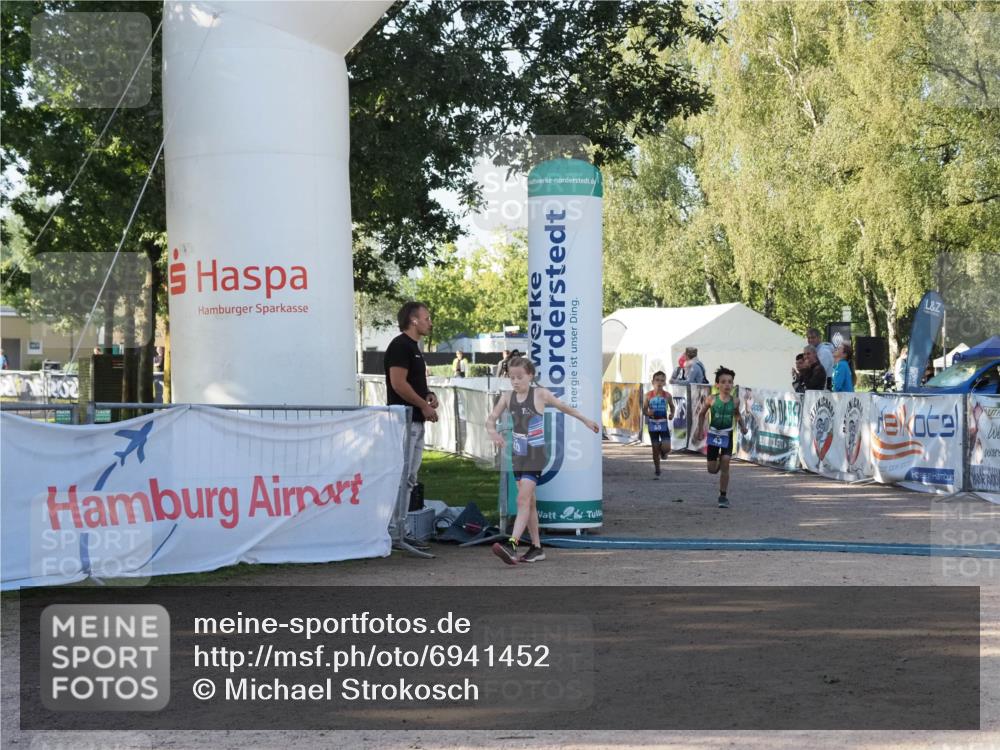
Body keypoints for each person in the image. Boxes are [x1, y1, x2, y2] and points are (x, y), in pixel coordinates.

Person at [487, 356, 600, 565]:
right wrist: (493, 432)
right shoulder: (507, 396)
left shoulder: (540, 394)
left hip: (535, 455)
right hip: (518, 455)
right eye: (511, 377)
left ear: (530, 375)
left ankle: (512, 543)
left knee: (522, 500)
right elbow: (491, 419)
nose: (515, 381)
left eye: (519, 377)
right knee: (529, 502)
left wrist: (585, 420)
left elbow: (564, 407)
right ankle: (537, 548)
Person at [385, 301, 439, 550]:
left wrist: (427, 395)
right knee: (402, 475)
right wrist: (423, 405)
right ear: (414, 320)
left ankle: (401, 529)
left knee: (410, 478)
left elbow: (413, 383)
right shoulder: (399, 346)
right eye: (427, 318)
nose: (430, 322)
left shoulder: (414, 347)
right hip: (405, 421)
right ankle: (393, 529)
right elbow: (398, 383)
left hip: (415, 420)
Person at [694, 366, 748, 508]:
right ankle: (717, 461)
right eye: (723, 382)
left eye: (730, 382)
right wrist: (700, 431)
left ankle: (723, 496)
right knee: (712, 469)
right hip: (713, 434)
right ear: (717, 384)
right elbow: (701, 415)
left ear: (733, 384)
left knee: (726, 461)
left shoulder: (735, 401)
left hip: (727, 435)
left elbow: (736, 414)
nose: (727, 385)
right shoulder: (711, 399)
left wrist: (742, 426)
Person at [643, 371, 675, 479]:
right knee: (654, 449)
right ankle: (657, 468)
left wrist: (672, 414)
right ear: (652, 382)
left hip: (663, 424)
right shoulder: (648, 395)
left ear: (665, 383)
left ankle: (663, 451)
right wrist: (648, 413)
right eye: (657, 380)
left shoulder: (667, 396)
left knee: (667, 448)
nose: (659, 382)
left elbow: (672, 406)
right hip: (652, 425)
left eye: (662, 380)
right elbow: (644, 410)